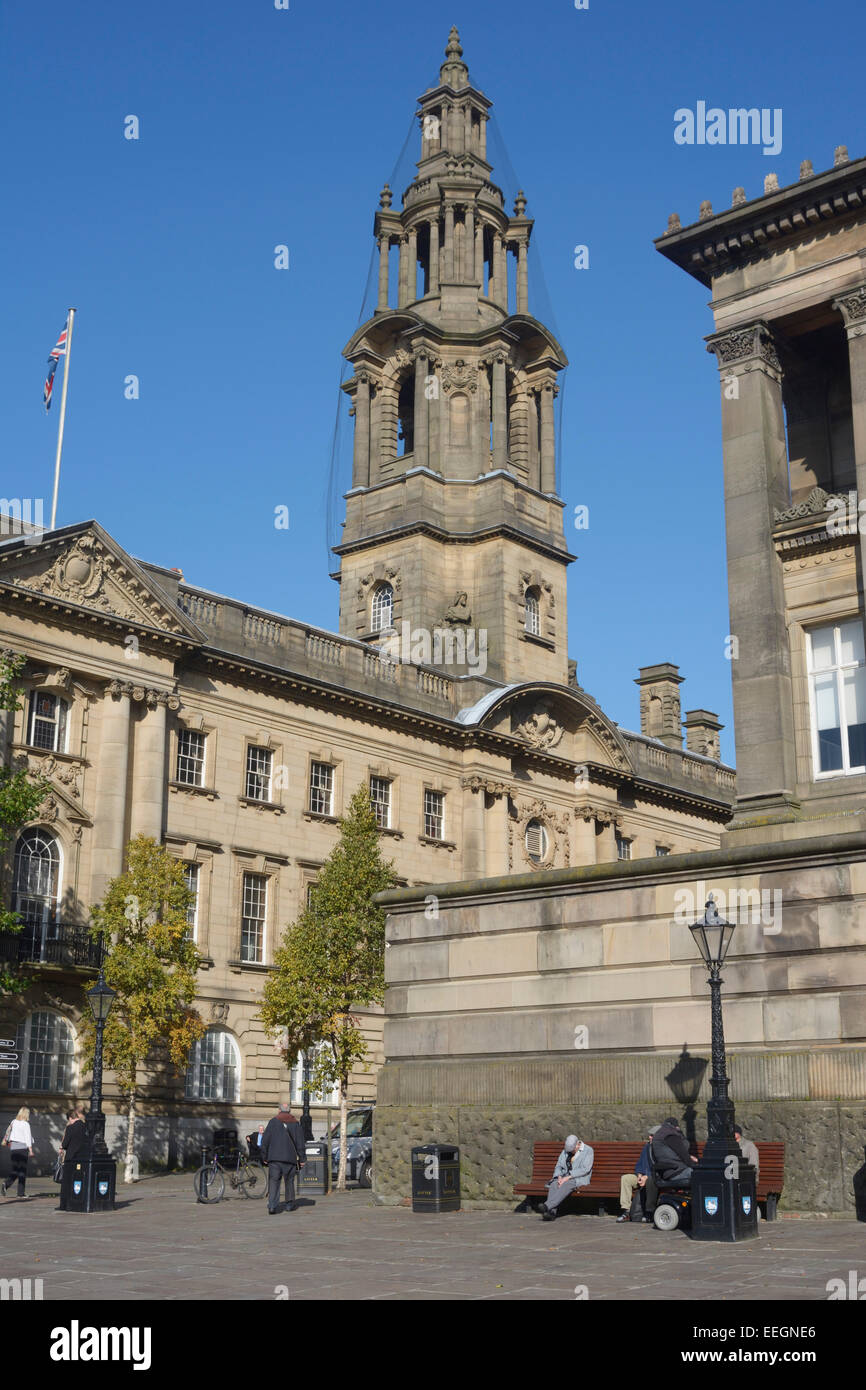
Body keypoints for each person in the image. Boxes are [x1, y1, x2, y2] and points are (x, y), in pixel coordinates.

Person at [261, 1103, 305, 1215]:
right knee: (289, 1181)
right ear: (289, 1111)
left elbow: (265, 1140)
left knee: (274, 1181)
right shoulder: (295, 1123)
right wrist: (302, 1159)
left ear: (279, 1110)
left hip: (274, 1158)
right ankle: (289, 1205)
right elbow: (300, 1143)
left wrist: (264, 1156)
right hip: (290, 1158)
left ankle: (272, 1206)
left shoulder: (273, 1122)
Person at [540, 1133, 594, 1220]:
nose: (570, 1152)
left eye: (572, 1150)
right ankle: (551, 1213)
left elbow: (585, 1169)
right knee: (554, 1184)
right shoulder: (565, 1150)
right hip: (564, 1177)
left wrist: (568, 1176)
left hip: (579, 1178)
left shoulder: (588, 1150)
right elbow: (559, 1166)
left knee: (567, 1184)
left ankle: (547, 1206)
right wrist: (559, 1176)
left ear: (578, 1144)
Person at [617, 1125, 660, 1222]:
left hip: (652, 1177)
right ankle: (626, 1211)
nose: (649, 1137)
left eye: (652, 1135)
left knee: (649, 1181)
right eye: (650, 1135)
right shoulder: (646, 1146)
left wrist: (646, 1176)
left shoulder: (660, 1149)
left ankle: (649, 1213)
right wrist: (639, 1175)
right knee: (626, 1178)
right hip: (642, 1176)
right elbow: (639, 1164)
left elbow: (658, 1167)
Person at [651, 1116, 698, 1187]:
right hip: (677, 1172)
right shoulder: (671, 1135)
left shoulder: (660, 1134)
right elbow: (684, 1154)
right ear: (676, 1127)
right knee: (705, 1175)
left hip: (668, 1172)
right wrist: (698, 1166)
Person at [57, 1109, 87, 1212]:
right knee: (78, 1182)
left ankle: (64, 1205)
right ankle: (77, 1202)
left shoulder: (70, 1128)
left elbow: (65, 1144)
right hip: (82, 1159)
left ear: (70, 1118)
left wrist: (61, 1148)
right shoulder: (85, 1127)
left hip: (70, 1159)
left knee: (66, 1183)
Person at [2, 1106, 34, 1199]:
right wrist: (31, 1150)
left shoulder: (13, 1122)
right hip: (23, 1148)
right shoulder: (26, 1124)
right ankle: (20, 1193)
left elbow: (9, 1133)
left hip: (13, 1148)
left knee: (15, 1169)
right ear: (26, 1114)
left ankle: (6, 1183)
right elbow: (28, 1138)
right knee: (22, 1171)